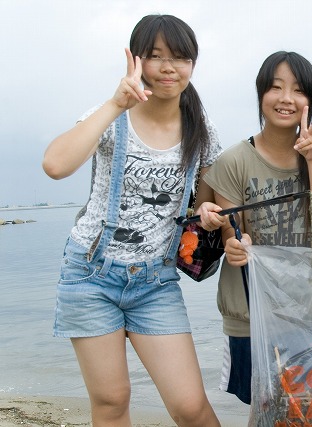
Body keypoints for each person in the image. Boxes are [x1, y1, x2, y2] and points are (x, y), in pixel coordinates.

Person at [42, 15, 224, 426]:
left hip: (155, 281)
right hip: (90, 274)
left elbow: (202, 203)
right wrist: (114, 105)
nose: (168, 68)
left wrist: (205, 214)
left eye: (180, 57)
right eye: (155, 56)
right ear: (137, 61)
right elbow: (54, 165)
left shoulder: (202, 130)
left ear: (192, 64)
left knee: (190, 407)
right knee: (111, 402)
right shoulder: (112, 116)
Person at [198, 51, 312, 405]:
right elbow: (232, 230)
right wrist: (235, 245)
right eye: (276, 87)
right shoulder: (234, 160)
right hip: (250, 314)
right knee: (263, 408)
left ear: (310, 100)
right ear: (261, 94)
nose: (286, 98)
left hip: (308, 311)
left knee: (311, 409)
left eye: (298, 90)